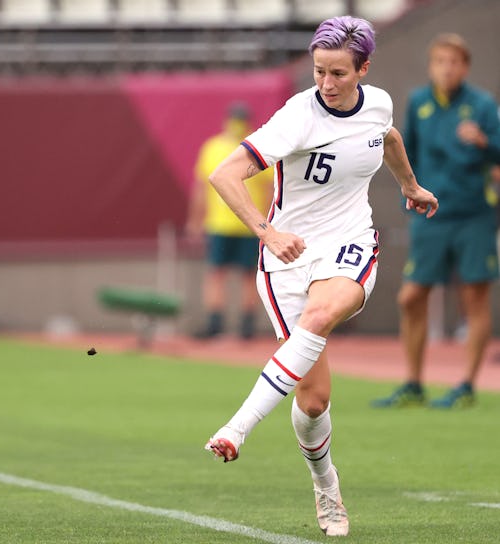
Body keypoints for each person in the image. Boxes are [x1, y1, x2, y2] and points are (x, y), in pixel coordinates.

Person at [202, 16, 438, 537]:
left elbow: (388, 137)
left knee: (324, 311)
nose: (327, 84)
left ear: (363, 69)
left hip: (351, 243)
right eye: (318, 72)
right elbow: (225, 175)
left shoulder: (376, 102)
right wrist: (266, 232)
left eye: (337, 73)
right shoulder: (297, 117)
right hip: (287, 255)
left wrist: (411, 186)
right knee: (313, 402)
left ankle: (237, 428)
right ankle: (326, 484)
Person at [372, 34, 500, 409]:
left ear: (465, 67)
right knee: (411, 297)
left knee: (473, 299)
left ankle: (466, 386)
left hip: (474, 214)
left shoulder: (482, 105)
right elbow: (401, 149)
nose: (447, 67)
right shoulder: (419, 103)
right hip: (431, 216)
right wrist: (408, 192)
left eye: (455, 61)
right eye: (441, 60)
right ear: (431, 65)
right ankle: (413, 383)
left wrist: (483, 142)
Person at [186, 102, 274, 339]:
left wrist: (265, 223)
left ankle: (238, 324)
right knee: (224, 273)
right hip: (231, 224)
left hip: (246, 224)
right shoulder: (231, 147)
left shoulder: (252, 148)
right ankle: (227, 323)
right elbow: (202, 187)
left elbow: (267, 189)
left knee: (236, 274)